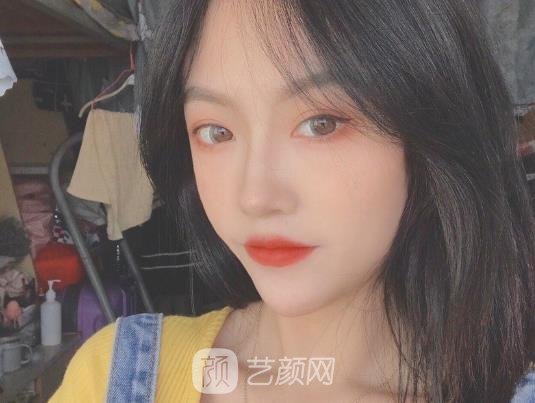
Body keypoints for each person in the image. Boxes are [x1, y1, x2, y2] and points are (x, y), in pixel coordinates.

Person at [50, 0, 535, 402]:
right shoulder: (117, 378)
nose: (255, 197)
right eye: (216, 131)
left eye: (322, 124)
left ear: (430, 134)